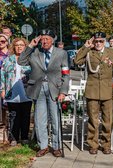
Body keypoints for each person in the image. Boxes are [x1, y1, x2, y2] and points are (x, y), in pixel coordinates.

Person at [18, 29, 70, 157]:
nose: (44, 41)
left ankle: (57, 146)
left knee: (55, 119)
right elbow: (21, 61)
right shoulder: (35, 52)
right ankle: (43, 146)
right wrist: (30, 45)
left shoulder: (61, 53)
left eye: (47, 39)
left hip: (55, 89)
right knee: (39, 119)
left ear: (53, 40)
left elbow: (66, 74)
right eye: (42, 39)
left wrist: (63, 91)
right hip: (38, 88)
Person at [74, 32, 113, 155]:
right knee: (93, 120)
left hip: (107, 91)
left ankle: (106, 144)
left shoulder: (112, 53)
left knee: (108, 120)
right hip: (92, 90)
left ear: (105, 41)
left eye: (101, 41)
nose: (98, 43)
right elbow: (77, 61)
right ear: (93, 41)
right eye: (96, 41)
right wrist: (86, 46)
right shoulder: (89, 52)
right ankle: (93, 144)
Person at [1, 37, 32, 146]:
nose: (19, 47)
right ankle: (14, 137)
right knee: (13, 115)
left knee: (26, 115)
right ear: (13, 47)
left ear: (25, 47)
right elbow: (2, 75)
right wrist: (2, 89)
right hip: (12, 91)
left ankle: (24, 137)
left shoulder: (30, 59)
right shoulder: (8, 60)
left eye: (22, 45)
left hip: (27, 91)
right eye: (17, 45)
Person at [0, 34, 10, 126]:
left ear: (7, 42)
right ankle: (3, 127)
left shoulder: (11, 54)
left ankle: (9, 128)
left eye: (3, 41)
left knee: (7, 106)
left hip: (9, 82)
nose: (1, 43)